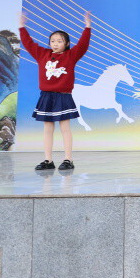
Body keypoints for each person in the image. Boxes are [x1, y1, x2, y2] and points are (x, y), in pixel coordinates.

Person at [19, 11, 91, 171]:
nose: (55, 43)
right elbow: (28, 43)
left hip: (63, 96)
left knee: (65, 128)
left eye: (59, 41)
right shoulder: (42, 54)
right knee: (47, 129)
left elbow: (83, 45)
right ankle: (48, 160)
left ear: (67, 43)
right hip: (46, 96)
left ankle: (68, 159)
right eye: (52, 41)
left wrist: (87, 27)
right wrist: (21, 27)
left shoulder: (71, 56)